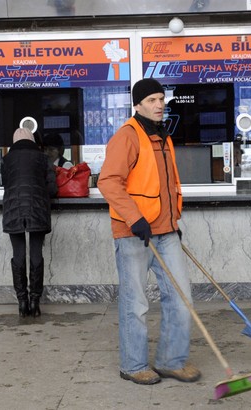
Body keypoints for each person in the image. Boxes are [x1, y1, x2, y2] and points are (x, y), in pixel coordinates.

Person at [98, 78, 200, 386]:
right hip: (133, 232)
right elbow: (108, 181)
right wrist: (134, 218)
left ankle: (171, 361)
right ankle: (133, 364)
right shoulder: (127, 136)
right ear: (138, 104)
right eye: (152, 100)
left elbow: (166, 186)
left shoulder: (162, 137)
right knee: (135, 302)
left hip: (165, 231)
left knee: (182, 299)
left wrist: (172, 223)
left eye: (161, 99)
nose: (159, 105)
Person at [1, 127, 58, 318]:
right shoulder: (43, 158)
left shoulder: (7, 159)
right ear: (32, 139)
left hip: (13, 210)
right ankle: (35, 302)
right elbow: (52, 189)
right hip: (37, 209)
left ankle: (22, 303)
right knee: (36, 255)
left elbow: (5, 183)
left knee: (18, 256)